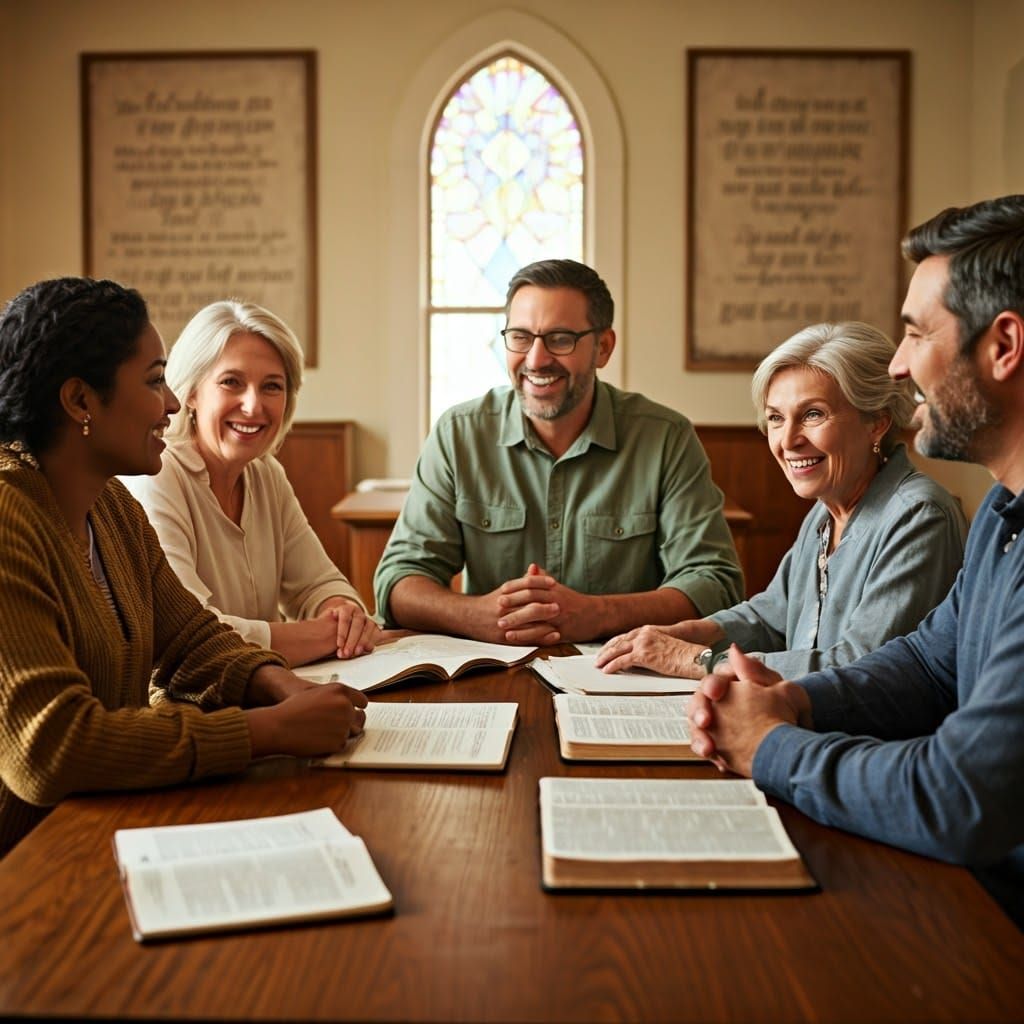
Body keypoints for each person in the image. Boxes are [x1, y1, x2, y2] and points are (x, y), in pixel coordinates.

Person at [688, 194, 1024, 928]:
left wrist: (770, 744)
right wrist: (795, 702)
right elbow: (928, 664)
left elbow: (959, 795)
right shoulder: (1005, 510)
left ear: (1003, 346)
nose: (899, 366)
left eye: (913, 334)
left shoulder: (929, 510)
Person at [0, 277, 367, 857]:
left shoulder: (112, 504)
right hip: (28, 861)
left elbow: (191, 637)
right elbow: (51, 750)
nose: (171, 403)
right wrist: (267, 731)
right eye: (154, 382)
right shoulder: (8, 518)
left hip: (106, 823)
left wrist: (281, 685)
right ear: (79, 402)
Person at [374, 258, 743, 645]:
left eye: (561, 339)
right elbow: (398, 580)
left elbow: (714, 583)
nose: (536, 360)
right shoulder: (458, 434)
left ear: (603, 347)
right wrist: (479, 616)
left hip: (624, 675)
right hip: (493, 675)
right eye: (520, 337)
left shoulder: (666, 438)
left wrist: (599, 614)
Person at [595, 321, 966, 679]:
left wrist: (699, 660)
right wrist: (689, 632)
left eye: (813, 414)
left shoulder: (919, 514)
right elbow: (771, 617)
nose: (788, 440)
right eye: (775, 417)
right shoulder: (825, 511)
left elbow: (859, 668)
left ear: (877, 423)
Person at [124, 301, 380, 668]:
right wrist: (325, 635)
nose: (252, 405)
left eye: (272, 387)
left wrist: (344, 612)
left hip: (259, 691)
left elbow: (318, 584)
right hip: (184, 708)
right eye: (232, 382)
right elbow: (191, 634)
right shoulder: (158, 477)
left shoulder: (266, 474)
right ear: (191, 393)